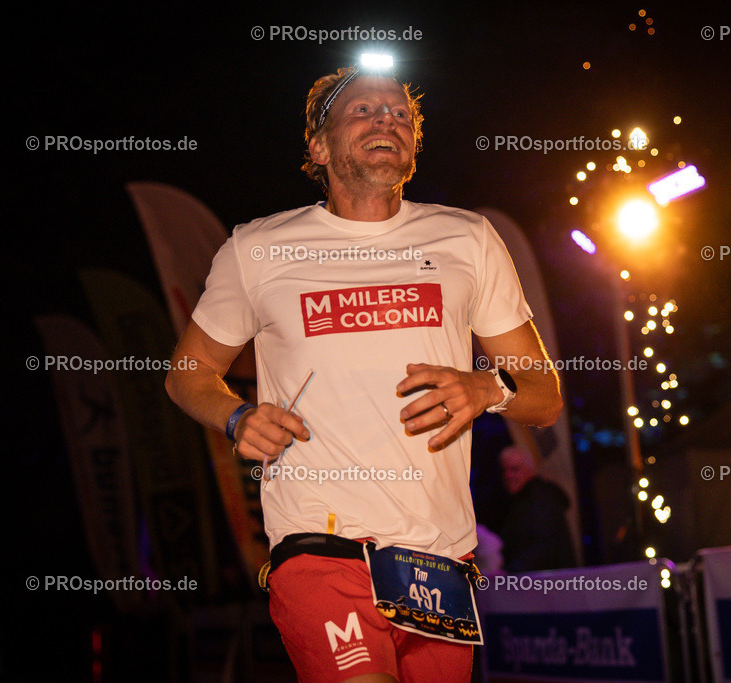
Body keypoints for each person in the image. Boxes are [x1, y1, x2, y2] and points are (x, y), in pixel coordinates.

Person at [165, 64, 562, 682]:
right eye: (365, 111)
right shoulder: (258, 249)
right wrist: (235, 414)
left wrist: (488, 388)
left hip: (439, 560)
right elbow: (187, 372)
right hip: (320, 544)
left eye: (400, 114)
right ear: (318, 147)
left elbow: (544, 396)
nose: (387, 120)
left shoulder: (468, 239)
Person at [497, 445, 577, 572]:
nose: (508, 475)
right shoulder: (523, 501)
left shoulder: (541, 499)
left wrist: (508, 573)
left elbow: (545, 547)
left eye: (515, 469)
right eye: (504, 470)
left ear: (531, 470)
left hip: (548, 584)